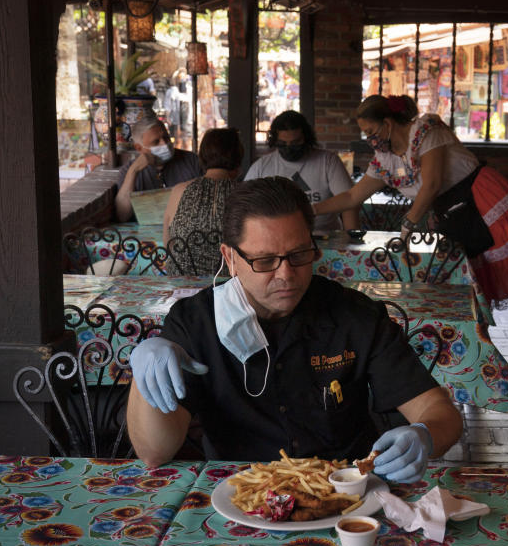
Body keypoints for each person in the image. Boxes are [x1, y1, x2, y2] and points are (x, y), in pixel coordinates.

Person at [126, 177, 463, 482]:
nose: (286, 275)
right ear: (229, 258)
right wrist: (145, 374)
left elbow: (440, 413)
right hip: (239, 494)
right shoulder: (196, 322)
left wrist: (424, 435)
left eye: (299, 254)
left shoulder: (354, 315)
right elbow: (155, 452)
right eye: (265, 260)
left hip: (347, 493)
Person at [314, 94, 508, 372]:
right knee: (473, 286)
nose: (370, 139)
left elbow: (432, 184)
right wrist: (313, 210)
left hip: (482, 198)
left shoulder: (426, 132)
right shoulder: (386, 160)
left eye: (371, 131)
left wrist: (407, 225)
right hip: (453, 214)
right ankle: (479, 358)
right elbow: (353, 196)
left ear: (388, 123)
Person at [244, 110, 360, 231]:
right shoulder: (261, 166)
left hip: (322, 234)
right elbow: (244, 205)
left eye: (295, 143)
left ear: (306, 138)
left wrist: (350, 237)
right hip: (277, 237)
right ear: (275, 141)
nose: (289, 148)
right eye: (283, 144)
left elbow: (349, 202)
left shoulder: (327, 161)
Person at [162, 128, 243, 275]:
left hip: (183, 286)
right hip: (230, 285)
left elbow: (168, 243)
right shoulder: (246, 194)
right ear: (238, 159)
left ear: (203, 157)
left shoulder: (179, 191)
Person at [115, 118, 203, 222]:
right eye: (156, 142)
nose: (164, 144)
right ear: (139, 148)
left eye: (166, 138)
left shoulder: (192, 161)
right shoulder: (128, 171)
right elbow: (122, 215)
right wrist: (133, 171)